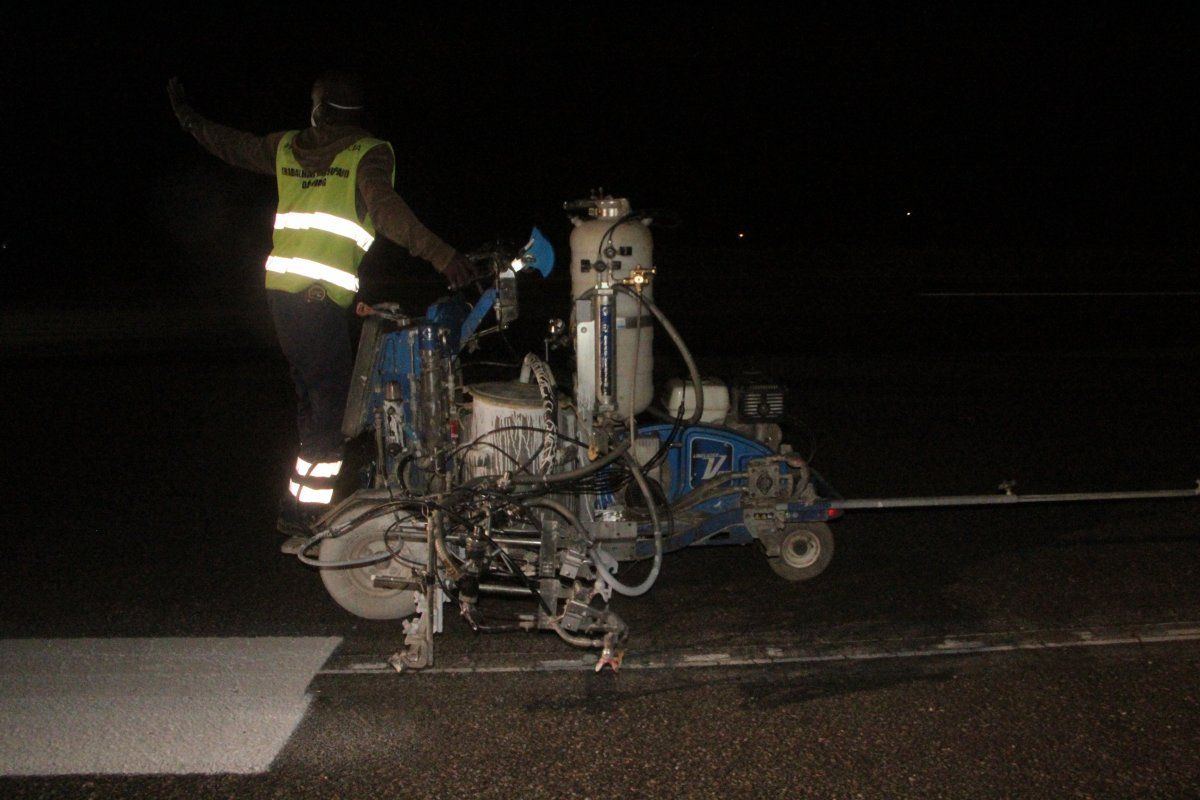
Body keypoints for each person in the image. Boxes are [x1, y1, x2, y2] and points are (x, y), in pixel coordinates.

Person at [168, 72, 476, 537]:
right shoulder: (367, 153)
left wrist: (190, 120)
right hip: (316, 297)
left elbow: (233, 145)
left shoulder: (290, 147)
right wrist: (443, 255)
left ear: (320, 108)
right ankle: (303, 512)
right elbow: (387, 211)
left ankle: (304, 504)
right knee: (330, 405)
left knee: (318, 400)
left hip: (286, 296)